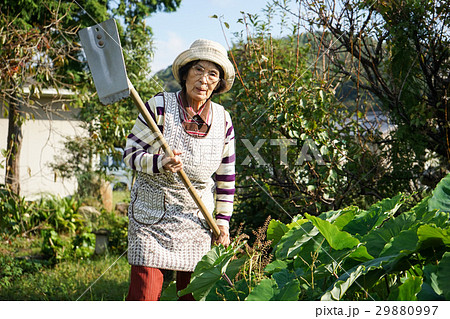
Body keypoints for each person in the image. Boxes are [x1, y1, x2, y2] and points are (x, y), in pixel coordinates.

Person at [123, 39, 236, 301]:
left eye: (212, 74)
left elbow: (226, 176)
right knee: (144, 296)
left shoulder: (223, 119)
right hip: (151, 217)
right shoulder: (159, 106)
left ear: (218, 83)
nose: (204, 80)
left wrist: (222, 223)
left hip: (196, 219)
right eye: (198, 70)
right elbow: (130, 154)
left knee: (191, 299)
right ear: (185, 74)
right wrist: (159, 162)